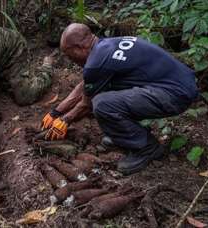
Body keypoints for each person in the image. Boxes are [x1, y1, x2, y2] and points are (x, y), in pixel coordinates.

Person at [41, 23, 198, 175]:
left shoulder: (96, 63)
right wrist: (56, 112)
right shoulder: (105, 46)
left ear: (79, 48)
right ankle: (127, 136)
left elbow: (86, 104)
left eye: (69, 55)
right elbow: (85, 85)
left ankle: (147, 148)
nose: (70, 60)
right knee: (106, 95)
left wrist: (65, 121)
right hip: (179, 84)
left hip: (175, 94)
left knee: (102, 104)